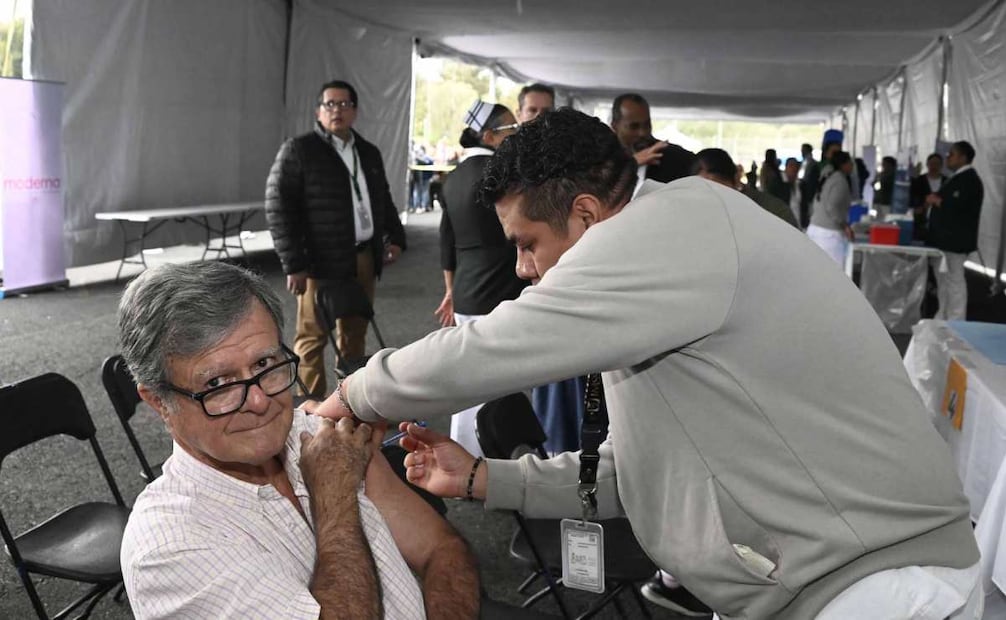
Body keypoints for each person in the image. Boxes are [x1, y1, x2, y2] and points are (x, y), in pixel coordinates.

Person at [318, 108, 980, 619]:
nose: (521, 269)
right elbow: (643, 470)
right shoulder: (657, 275)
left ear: (585, 215)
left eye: (526, 244)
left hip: (878, 590)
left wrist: (358, 393)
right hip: (824, 587)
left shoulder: (676, 229)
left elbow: (494, 344)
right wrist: (484, 479)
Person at [116, 261, 479, 619]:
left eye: (264, 364)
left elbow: (441, 548)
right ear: (158, 402)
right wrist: (334, 496)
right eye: (218, 384)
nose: (260, 401)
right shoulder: (166, 548)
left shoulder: (320, 436)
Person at [265, 79, 407, 397]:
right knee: (312, 339)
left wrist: (396, 237)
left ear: (355, 111)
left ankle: (348, 402)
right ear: (318, 111)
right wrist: (294, 264)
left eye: (343, 104)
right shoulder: (299, 150)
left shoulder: (368, 152)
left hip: (363, 257)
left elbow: (383, 199)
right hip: (319, 263)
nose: (336, 110)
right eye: (329, 104)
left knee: (355, 333)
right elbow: (278, 208)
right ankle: (312, 409)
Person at [435, 100, 525, 453]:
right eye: (511, 128)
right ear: (488, 135)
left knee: (468, 379)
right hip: (500, 288)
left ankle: (463, 452)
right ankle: (489, 456)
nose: (517, 133)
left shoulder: (453, 177)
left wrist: (450, 291)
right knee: (496, 382)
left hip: (466, 292)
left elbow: (446, 241)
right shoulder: (500, 172)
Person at [926, 141, 984, 320]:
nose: (947, 158)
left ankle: (957, 319)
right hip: (945, 240)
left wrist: (938, 201)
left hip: (955, 240)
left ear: (963, 158)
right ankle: (943, 315)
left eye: (951, 154)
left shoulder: (969, 179)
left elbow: (959, 206)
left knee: (955, 280)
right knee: (944, 280)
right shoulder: (957, 178)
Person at [693, 148, 799, 229]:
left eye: (719, 190)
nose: (713, 198)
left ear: (736, 179)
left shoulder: (774, 212)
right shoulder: (692, 212)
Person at [610, 93, 696, 190]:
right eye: (634, 127)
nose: (643, 133)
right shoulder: (603, 159)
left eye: (647, 125)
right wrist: (631, 164)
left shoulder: (676, 158)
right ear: (615, 126)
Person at [807, 151, 854, 265]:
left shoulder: (827, 176)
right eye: (850, 163)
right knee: (831, 272)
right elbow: (832, 206)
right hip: (828, 234)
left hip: (815, 229)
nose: (852, 166)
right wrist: (844, 225)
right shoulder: (839, 181)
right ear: (844, 164)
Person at [911, 152, 948, 244]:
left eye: (937, 164)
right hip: (920, 222)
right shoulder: (918, 181)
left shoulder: (947, 182)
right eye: (931, 164)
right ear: (927, 165)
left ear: (941, 166)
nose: (934, 166)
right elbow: (913, 199)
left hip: (940, 223)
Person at [780, 156, 803, 227]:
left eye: (796, 167)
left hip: (798, 222)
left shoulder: (800, 184)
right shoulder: (779, 184)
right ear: (786, 168)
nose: (794, 169)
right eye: (791, 166)